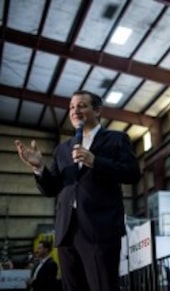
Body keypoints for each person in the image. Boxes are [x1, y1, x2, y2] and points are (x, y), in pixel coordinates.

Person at [15, 90, 141, 291]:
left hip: (100, 228)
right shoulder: (63, 149)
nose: (75, 111)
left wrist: (95, 161)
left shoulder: (117, 139)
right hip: (67, 230)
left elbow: (133, 174)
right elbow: (52, 188)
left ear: (97, 110)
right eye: (72, 107)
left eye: (82, 105)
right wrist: (39, 168)